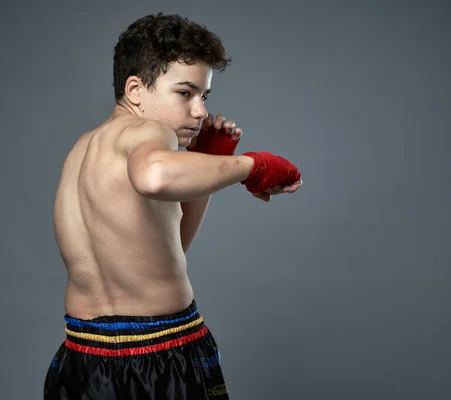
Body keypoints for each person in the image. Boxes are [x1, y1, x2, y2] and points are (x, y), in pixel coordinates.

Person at [43, 12, 302, 400]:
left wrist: (204, 159)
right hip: (163, 352)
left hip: (84, 359)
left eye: (204, 97)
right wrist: (250, 166)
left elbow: (166, 251)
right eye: (185, 93)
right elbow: (154, 176)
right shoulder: (149, 130)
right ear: (135, 90)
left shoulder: (82, 148)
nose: (199, 111)